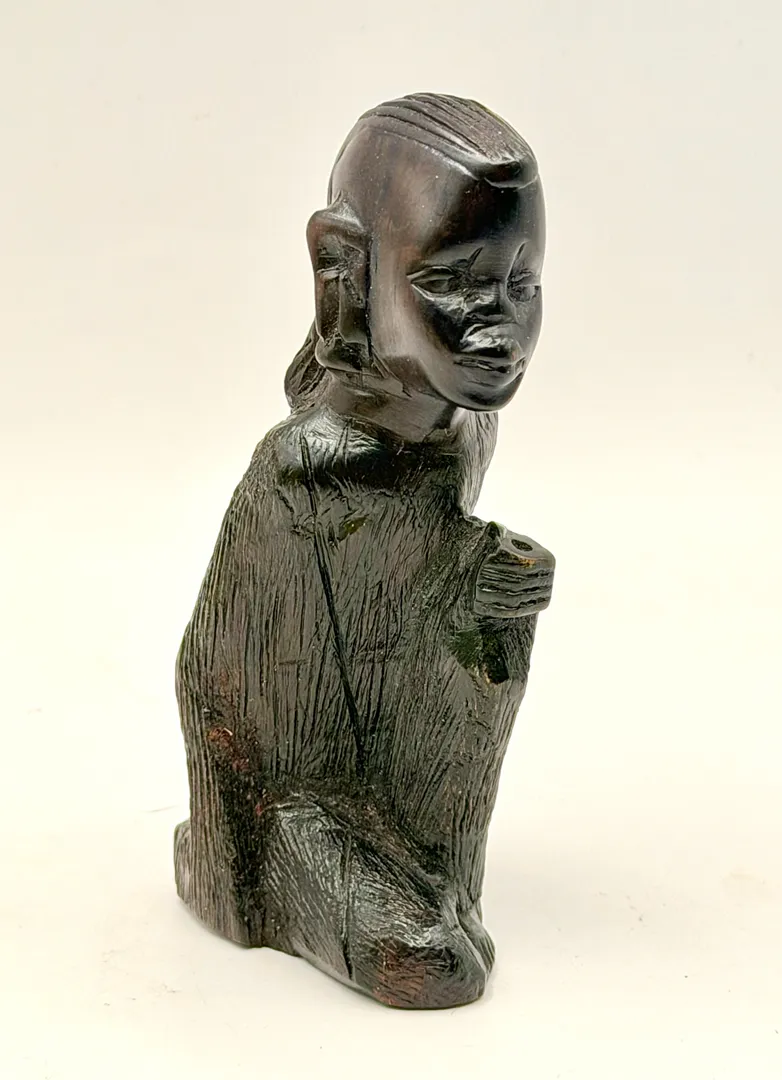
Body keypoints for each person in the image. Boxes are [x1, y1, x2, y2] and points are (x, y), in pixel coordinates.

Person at [175, 93, 554, 1009]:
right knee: (439, 965)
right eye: (455, 284)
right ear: (344, 269)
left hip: (389, 785)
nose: (500, 327)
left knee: (449, 936)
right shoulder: (301, 475)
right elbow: (221, 695)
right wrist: (234, 874)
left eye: (523, 284)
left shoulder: (463, 430)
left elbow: (401, 649)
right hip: (288, 807)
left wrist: (481, 613)